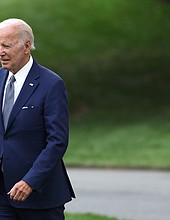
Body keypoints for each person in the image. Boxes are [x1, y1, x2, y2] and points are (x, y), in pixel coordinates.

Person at [0, 18, 75, 220]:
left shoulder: (51, 84)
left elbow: (57, 141)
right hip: (2, 198)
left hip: (40, 196)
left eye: (6, 45)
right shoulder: (0, 78)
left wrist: (30, 181)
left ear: (26, 46)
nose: (0, 52)